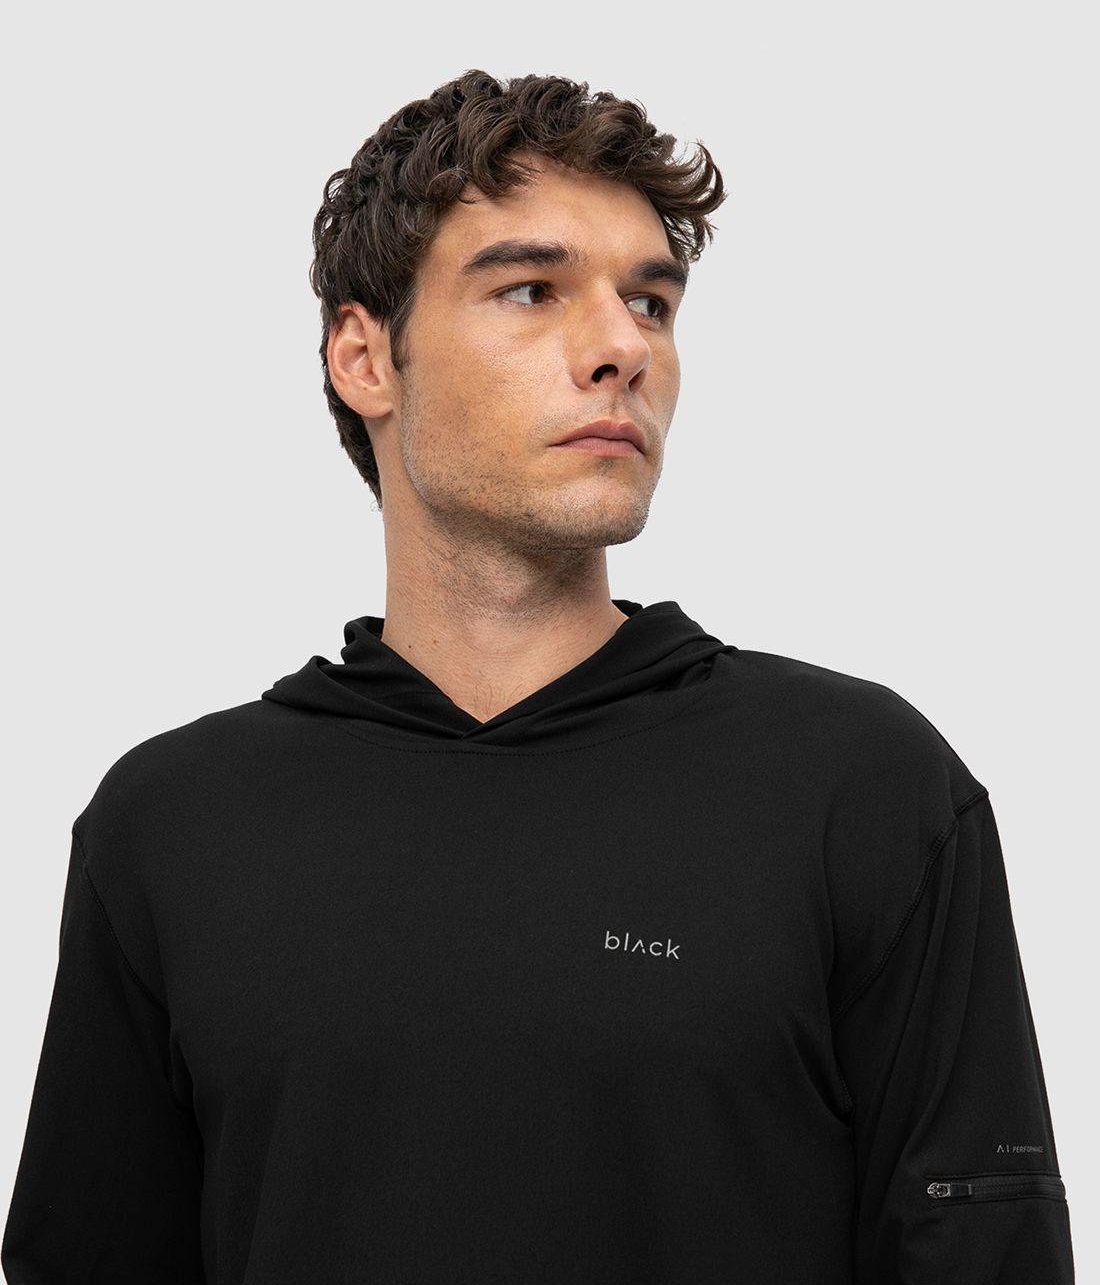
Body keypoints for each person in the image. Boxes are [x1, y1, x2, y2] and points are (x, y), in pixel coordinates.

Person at [2, 69, 1075, 1283]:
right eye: (530, 289)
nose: (620, 347)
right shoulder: (170, 826)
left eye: (649, 302)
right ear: (365, 357)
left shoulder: (864, 791)